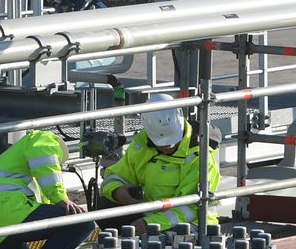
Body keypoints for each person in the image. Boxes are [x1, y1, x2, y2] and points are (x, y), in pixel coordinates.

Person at [96, 94, 224, 229]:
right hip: (150, 215)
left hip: (190, 224)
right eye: (161, 143)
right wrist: (118, 191)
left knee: (173, 235)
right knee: (104, 207)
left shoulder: (200, 156)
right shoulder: (142, 144)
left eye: (171, 141)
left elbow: (190, 209)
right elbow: (116, 175)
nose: (167, 146)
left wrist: (149, 223)